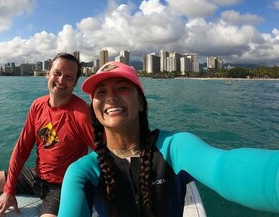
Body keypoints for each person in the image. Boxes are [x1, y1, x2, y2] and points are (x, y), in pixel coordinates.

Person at [58, 61, 279, 217]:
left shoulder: (174, 147)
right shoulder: (84, 171)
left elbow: (222, 168)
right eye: (101, 92)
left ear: (141, 102)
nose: (110, 97)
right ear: (94, 107)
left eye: (122, 87)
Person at [0, 53, 95, 217]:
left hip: (61, 187)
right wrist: (8, 191)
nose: (61, 80)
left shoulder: (81, 114)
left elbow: (104, 153)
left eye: (68, 77)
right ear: (48, 74)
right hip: (36, 176)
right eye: (57, 73)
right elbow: (22, 148)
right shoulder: (38, 105)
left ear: (75, 83)